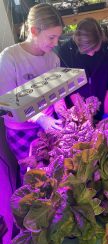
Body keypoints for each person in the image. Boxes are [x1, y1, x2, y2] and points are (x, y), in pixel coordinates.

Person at [0, 3, 66, 178]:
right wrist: (39, 118)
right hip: (21, 130)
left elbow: (57, 93)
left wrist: (63, 114)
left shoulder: (53, 59)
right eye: (51, 37)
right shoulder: (10, 57)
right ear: (34, 31)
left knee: (54, 170)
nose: (56, 43)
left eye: (58, 37)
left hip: (48, 124)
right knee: (33, 175)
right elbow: (6, 102)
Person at [57, 17, 108, 120]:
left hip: (102, 99)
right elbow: (70, 89)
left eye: (94, 49)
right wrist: (84, 115)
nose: (91, 54)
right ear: (78, 43)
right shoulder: (66, 52)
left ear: (100, 39)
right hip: (76, 105)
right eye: (86, 51)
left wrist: (106, 115)